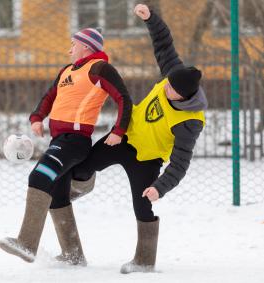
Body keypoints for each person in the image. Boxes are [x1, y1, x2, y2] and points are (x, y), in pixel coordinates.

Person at [71, 4, 207, 273]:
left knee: (142, 204)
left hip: (147, 159)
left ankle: (144, 260)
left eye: (171, 89)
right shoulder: (173, 75)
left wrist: (160, 187)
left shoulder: (190, 122)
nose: (165, 86)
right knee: (83, 167)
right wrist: (151, 19)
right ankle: (74, 191)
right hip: (123, 137)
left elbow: (181, 162)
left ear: (183, 97)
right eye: (167, 82)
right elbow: (164, 46)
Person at [0, 27, 133, 265]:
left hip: (75, 141)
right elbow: (50, 96)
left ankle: (27, 243)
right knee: (58, 197)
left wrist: (118, 131)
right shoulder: (66, 71)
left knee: (39, 177)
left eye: (73, 44)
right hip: (60, 140)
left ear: (86, 47)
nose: (69, 49)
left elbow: (123, 97)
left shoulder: (100, 68)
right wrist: (37, 117)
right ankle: (73, 255)